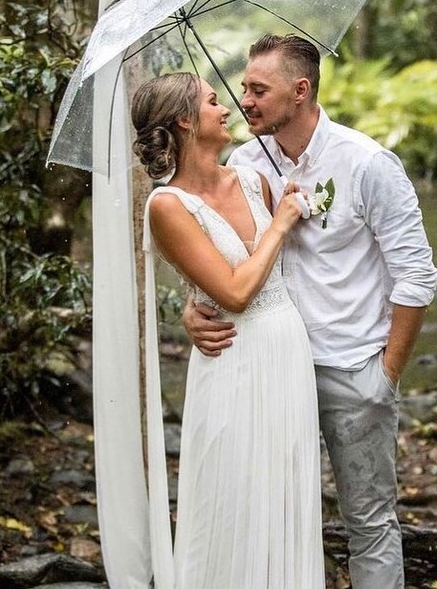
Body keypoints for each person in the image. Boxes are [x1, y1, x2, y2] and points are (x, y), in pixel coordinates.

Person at [185, 34, 437, 589]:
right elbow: (220, 250)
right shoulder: (243, 162)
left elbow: (417, 275)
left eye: (258, 89)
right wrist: (192, 307)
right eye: (243, 88)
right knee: (270, 520)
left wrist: (385, 375)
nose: (244, 99)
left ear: (300, 91)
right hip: (270, 371)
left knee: (368, 523)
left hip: (353, 370)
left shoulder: (368, 164)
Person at [131, 71, 325, 589]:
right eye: (214, 102)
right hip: (232, 358)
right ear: (185, 121)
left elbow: (268, 273)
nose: (229, 108)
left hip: (286, 350)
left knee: (284, 488)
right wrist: (281, 223)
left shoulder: (252, 179)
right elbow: (234, 292)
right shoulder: (166, 206)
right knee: (232, 491)